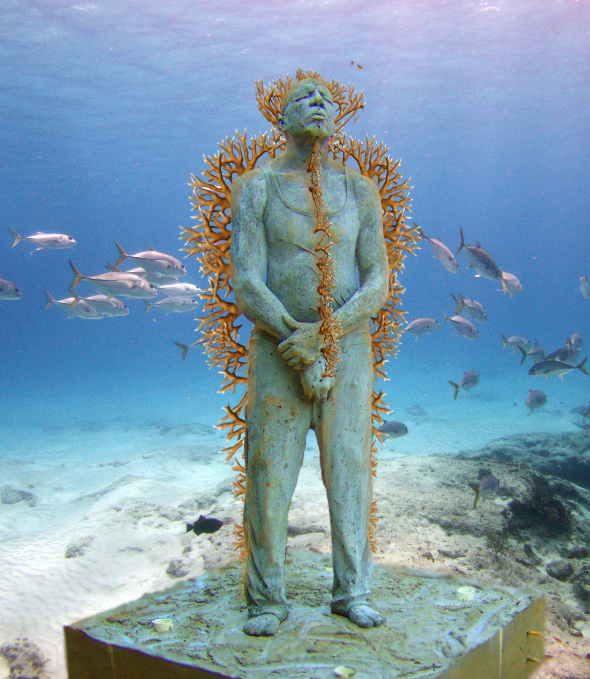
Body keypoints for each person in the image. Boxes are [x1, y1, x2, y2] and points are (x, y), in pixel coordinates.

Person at [230, 77, 390, 637]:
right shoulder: (257, 187)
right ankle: (266, 599)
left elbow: (378, 282)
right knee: (270, 473)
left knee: (350, 471)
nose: (318, 102)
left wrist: (326, 334)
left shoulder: (361, 191)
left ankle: (353, 591)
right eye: (303, 96)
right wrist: (294, 340)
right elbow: (247, 280)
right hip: (277, 352)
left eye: (326, 97)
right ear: (281, 116)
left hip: (348, 351)